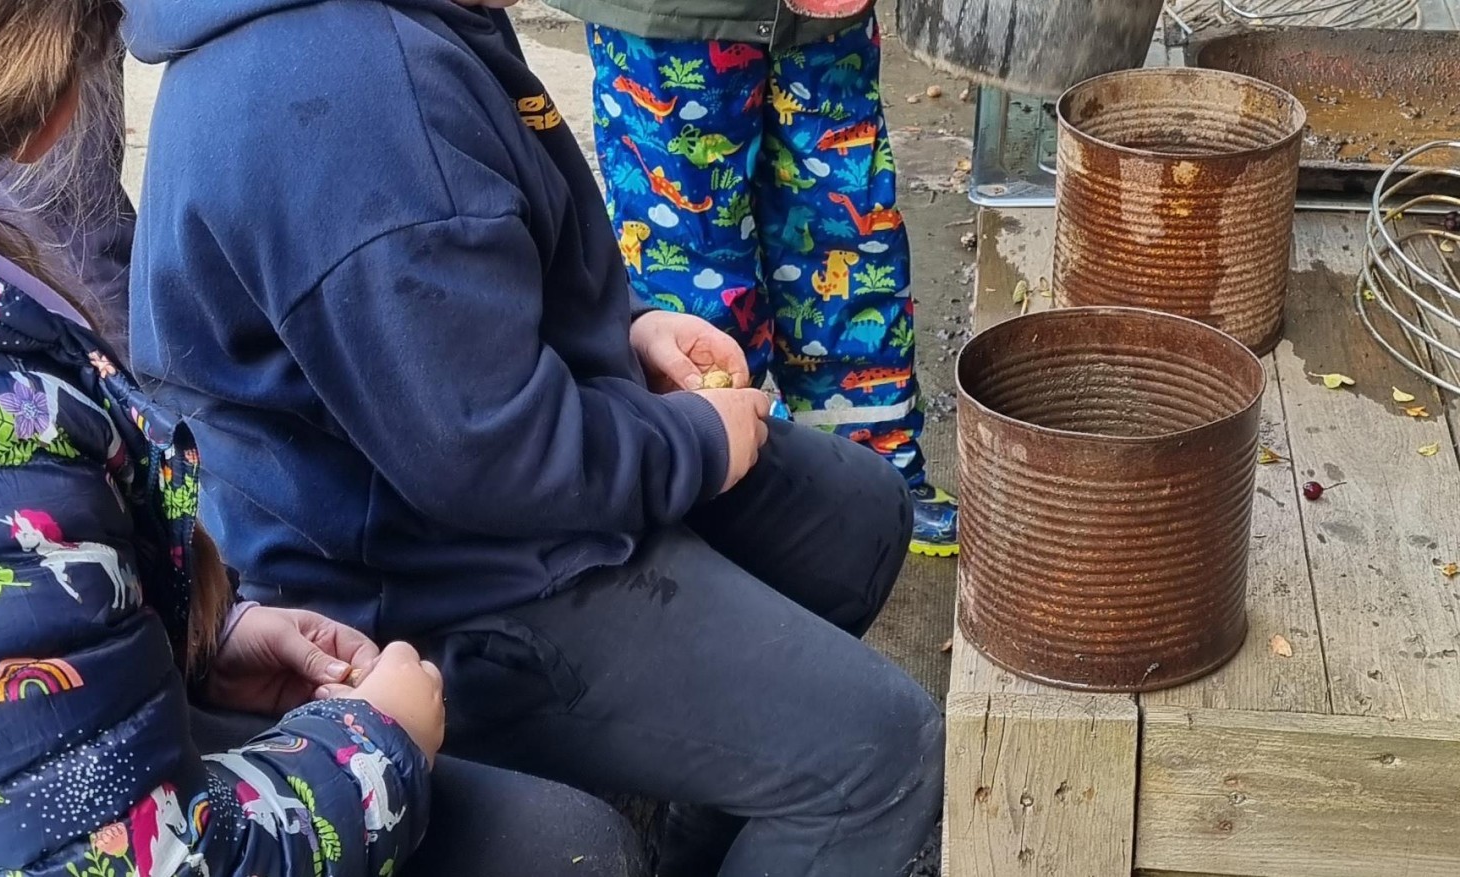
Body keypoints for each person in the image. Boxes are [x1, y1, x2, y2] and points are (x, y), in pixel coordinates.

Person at [123, 0, 946, 874]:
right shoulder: (350, 97)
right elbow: (486, 451)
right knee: (886, 757)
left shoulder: (409, 28)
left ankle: (707, 834)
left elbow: (468, 283)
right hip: (429, 582)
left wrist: (624, 331)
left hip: (477, 486)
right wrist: (695, 446)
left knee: (857, 519)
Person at [0, 4, 646, 877]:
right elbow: (137, 859)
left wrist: (194, 634)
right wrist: (374, 746)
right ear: (52, 102)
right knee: (584, 844)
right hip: (395, 614)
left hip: (187, 655)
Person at [547, 0, 959, 557]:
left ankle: (876, 476)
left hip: (823, 18)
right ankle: (719, 494)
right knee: (690, 270)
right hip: (672, 19)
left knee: (847, 241)